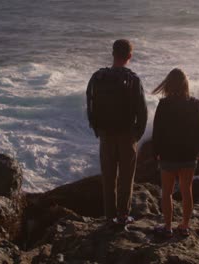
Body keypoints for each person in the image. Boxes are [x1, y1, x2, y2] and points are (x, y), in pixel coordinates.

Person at [86, 39, 148, 225]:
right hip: (127, 134)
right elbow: (142, 111)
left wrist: (97, 129)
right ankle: (123, 215)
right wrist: (137, 135)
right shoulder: (133, 79)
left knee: (108, 177)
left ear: (113, 53)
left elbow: (90, 104)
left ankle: (109, 215)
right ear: (129, 56)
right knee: (126, 177)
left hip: (106, 134)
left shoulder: (98, 78)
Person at [152, 68, 199, 238]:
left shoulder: (164, 104)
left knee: (167, 192)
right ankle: (184, 226)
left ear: (168, 84)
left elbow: (157, 131)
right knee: (186, 190)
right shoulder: (195, 103)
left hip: (168, 154)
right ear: (185, 84)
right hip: (189, 154)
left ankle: (167, 227)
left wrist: (156, 152)